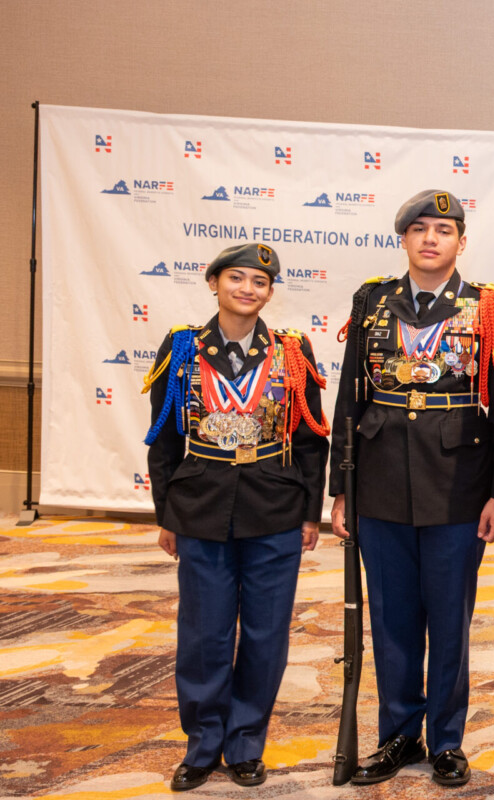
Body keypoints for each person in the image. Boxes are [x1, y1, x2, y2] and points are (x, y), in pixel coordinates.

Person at [327, 189, 494, 787]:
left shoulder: (488, 309)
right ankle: (397, 736)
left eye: (444, 229)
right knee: (390, 620)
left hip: (458, 492)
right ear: (404, 240)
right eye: (419, 229)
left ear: (462, 242)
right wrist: (342, 489)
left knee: (448, 621)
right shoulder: (373, 304)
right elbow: (348, 400)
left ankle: (445, 739)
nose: (431, 238)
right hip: (382, 486)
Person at [143, 242, 329, 791]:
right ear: (214, 283)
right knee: (204, 634)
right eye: (237, 278)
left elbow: (312, 439)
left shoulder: (293, 351)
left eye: (260, 283)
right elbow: (162, 439)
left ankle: (246, 742)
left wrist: (310, 513)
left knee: (267, 634)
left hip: (275, 509)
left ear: (270, 293)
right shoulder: (181, 348)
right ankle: (202, 745)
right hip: (200, 511)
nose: (248, 289)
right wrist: (167, 513)